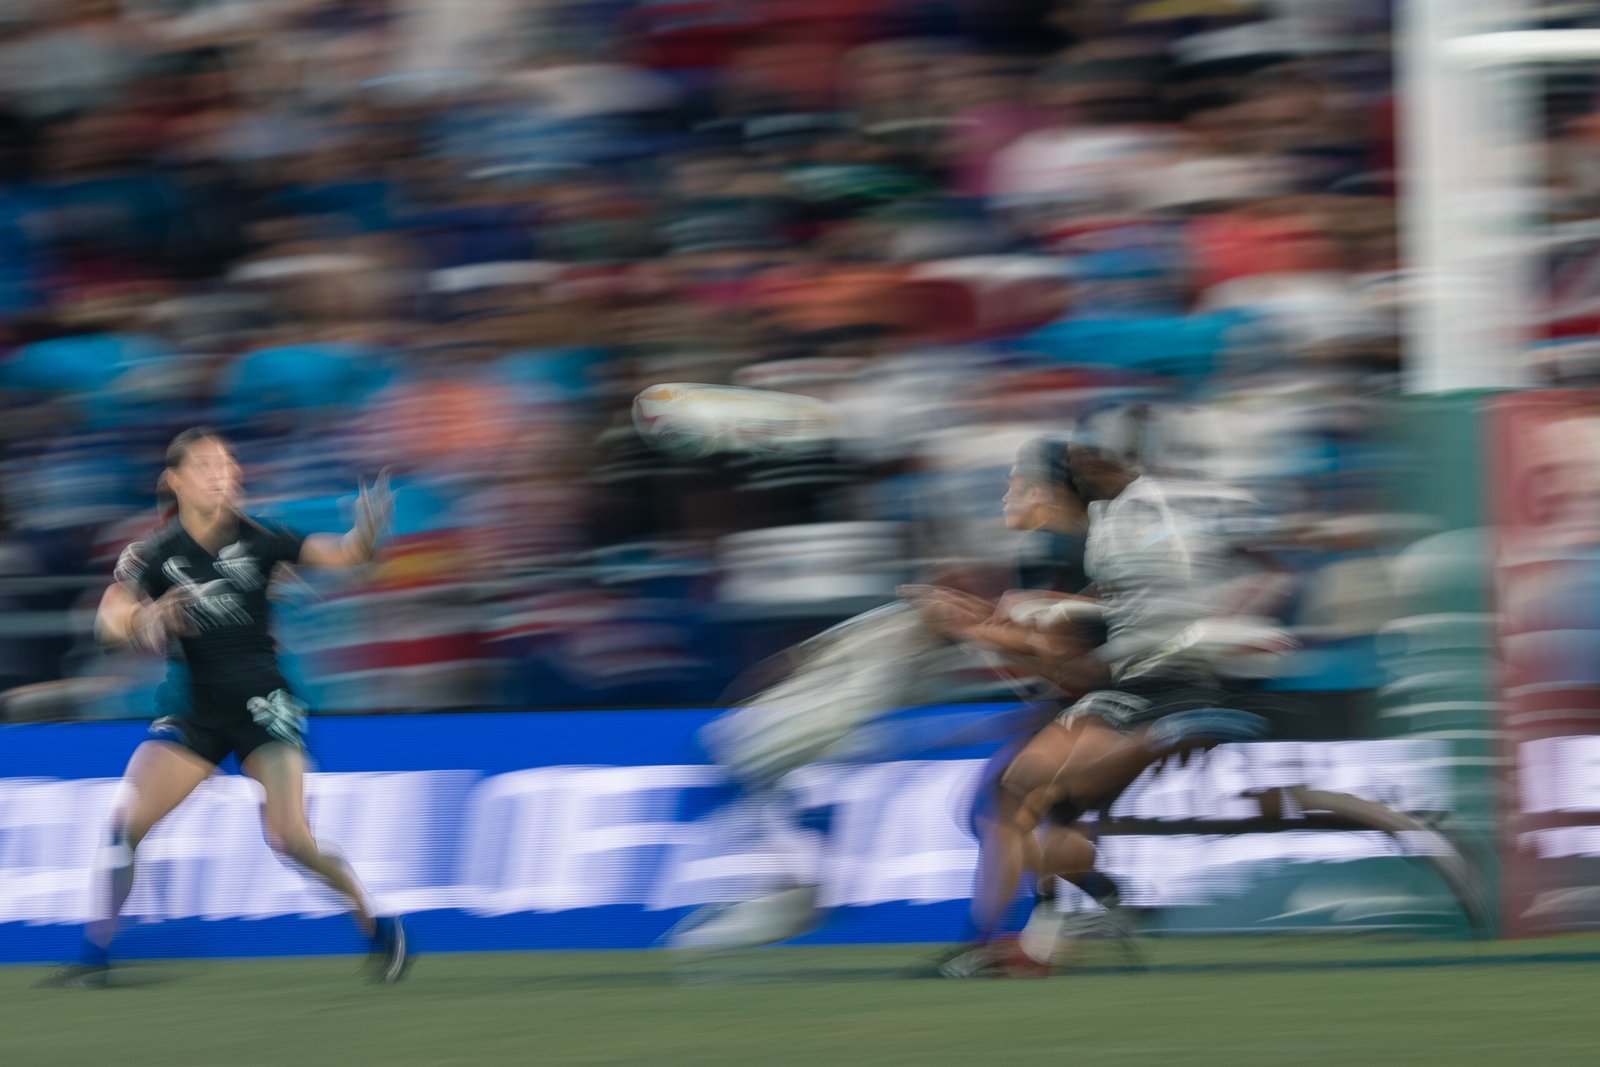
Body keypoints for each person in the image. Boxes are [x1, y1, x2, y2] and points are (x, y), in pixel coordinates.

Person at [43, 427, 410, 987]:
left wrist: (365, 534)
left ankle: (377, 924)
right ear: (175, 480)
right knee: (124, 829)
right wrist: (143, 617)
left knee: (291, 839)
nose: (222, 474)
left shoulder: (262, 538)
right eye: (207, 465)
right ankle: (94, 958)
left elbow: (343, 554)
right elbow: (108, 623)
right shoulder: (152, 553)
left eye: (227, 464)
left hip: (265, 707)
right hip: (193, 711)